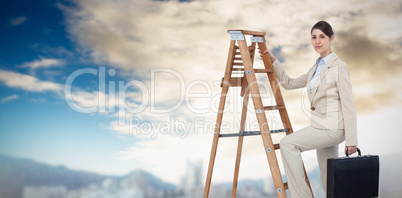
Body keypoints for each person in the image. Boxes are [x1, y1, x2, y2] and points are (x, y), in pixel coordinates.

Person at [259, 21, 358, 197]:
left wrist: (352, 140)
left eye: (322, 37)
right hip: (321, 126)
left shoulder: (339, 67)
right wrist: (274, 61)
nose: (317, 41)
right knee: (329, 178)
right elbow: (288, 84)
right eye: (314, 37)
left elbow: (348, 103)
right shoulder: (315, 68)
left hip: (332, 128)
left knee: (288, 144)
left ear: (331, 38)